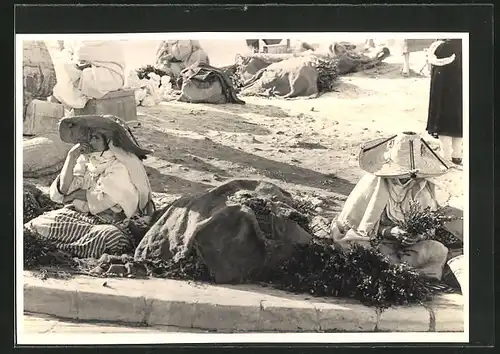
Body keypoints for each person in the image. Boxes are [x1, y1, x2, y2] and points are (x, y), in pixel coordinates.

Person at [330, 131, 461, 280]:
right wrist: (390, 231)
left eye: (410, 173)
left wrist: (417, 236)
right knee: (356, 246)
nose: (406, 177)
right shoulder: (373, 183)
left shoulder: (422, 187)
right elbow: (357, 226)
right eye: (401, 172)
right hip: (376, 243)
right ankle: (400, 272)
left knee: (438, 250)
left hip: (406, 249)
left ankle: (401, 272)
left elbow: (428, 227)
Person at [24, 114, 154, 258]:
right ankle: (66, 248)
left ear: (109, 142)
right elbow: (64, 189)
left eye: (96, 138)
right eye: (90, 137)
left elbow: (105, 198)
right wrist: (71, 157)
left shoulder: (121, 165)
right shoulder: (88, 160)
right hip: (82, 216)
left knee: (111, 238)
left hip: (112, 222)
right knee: (39, 225)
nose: (90, 142)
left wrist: (73, 196)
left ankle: (63, 247)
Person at [48, 40, 126, 109]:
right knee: (64, 68)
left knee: (63, 70)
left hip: (104, 77)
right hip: (117, 78)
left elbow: (80, 53)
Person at [425, 39, 463, 165]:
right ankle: (457, 154)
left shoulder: (440, 47)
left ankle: (445, 156)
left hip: (442, 80)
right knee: (458, 112)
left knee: (442, 114)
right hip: (460, 68)